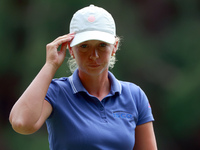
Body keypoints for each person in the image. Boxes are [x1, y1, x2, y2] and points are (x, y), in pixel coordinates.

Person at [9, 4, 157, 150]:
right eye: (84, 46)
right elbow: (21, 123)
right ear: (71, 50)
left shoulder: (134, 95)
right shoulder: (56, 92)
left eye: (102, 45)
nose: (94, 55)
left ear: (115, 47)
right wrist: (50, 65)